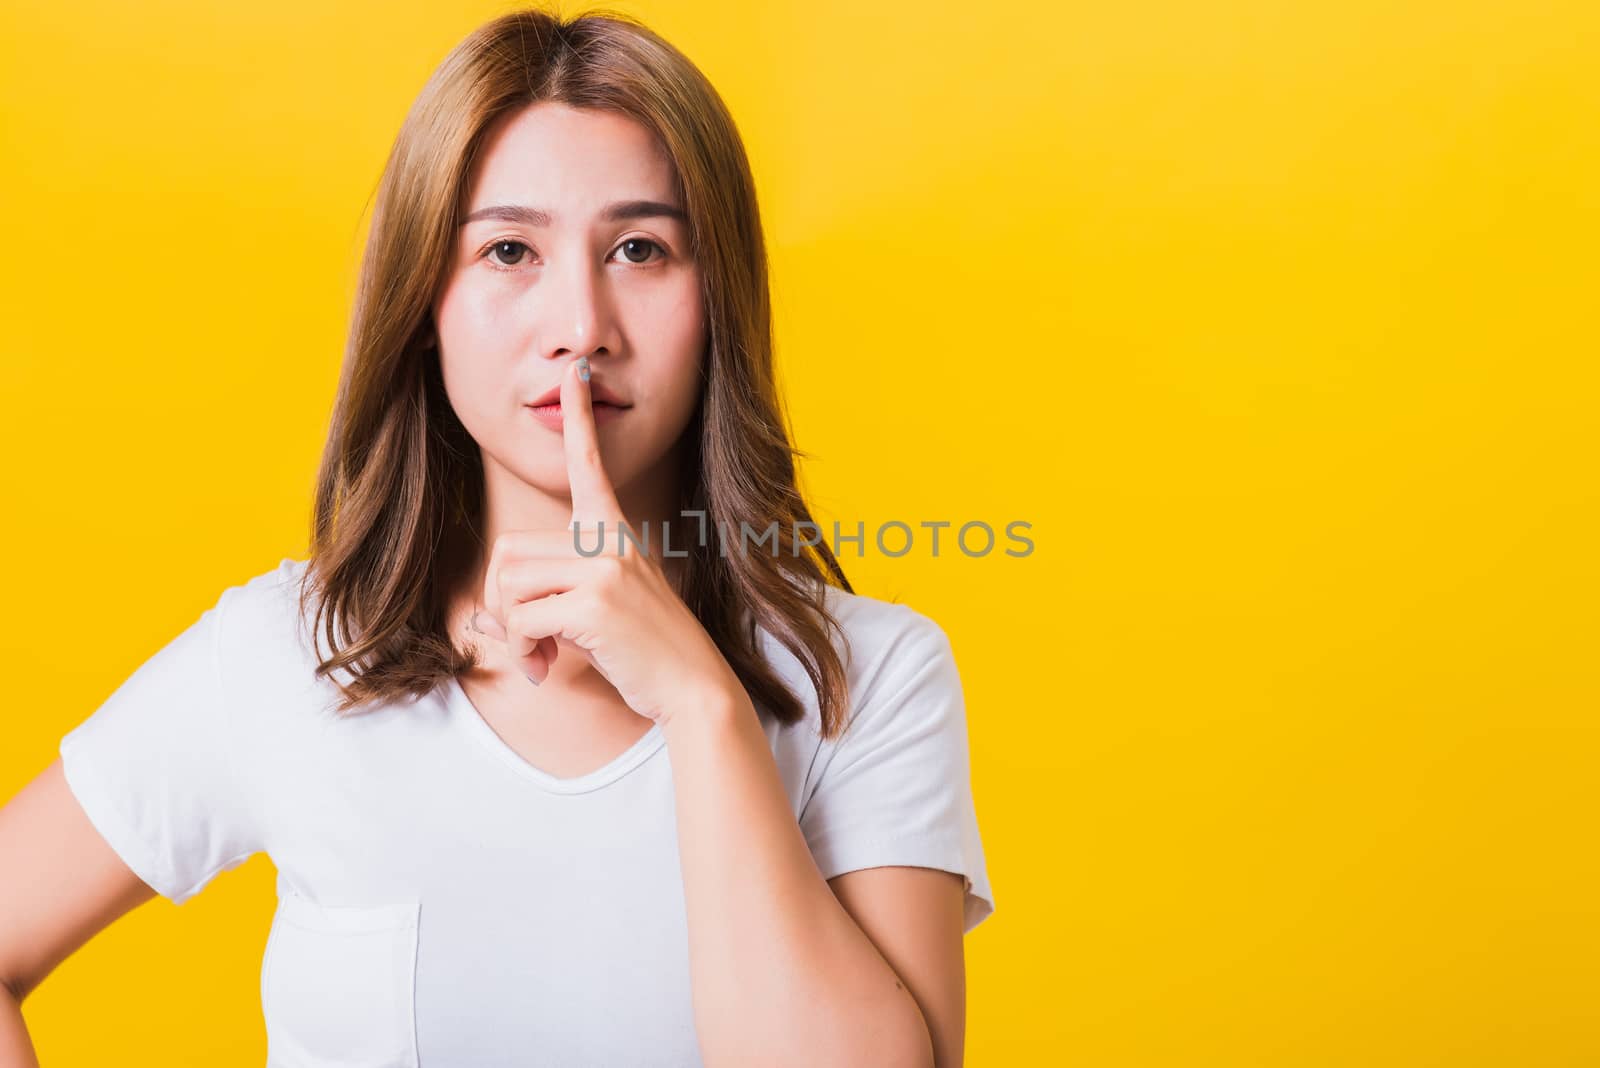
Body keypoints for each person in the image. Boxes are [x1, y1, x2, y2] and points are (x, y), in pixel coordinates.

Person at [0, 7, 994, 1066]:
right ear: (426, 300)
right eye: (510, 249)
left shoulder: (870, 679)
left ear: (720, 300)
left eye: (641, 250)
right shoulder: (288, 653)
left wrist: (705, 710)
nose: (580, 324)